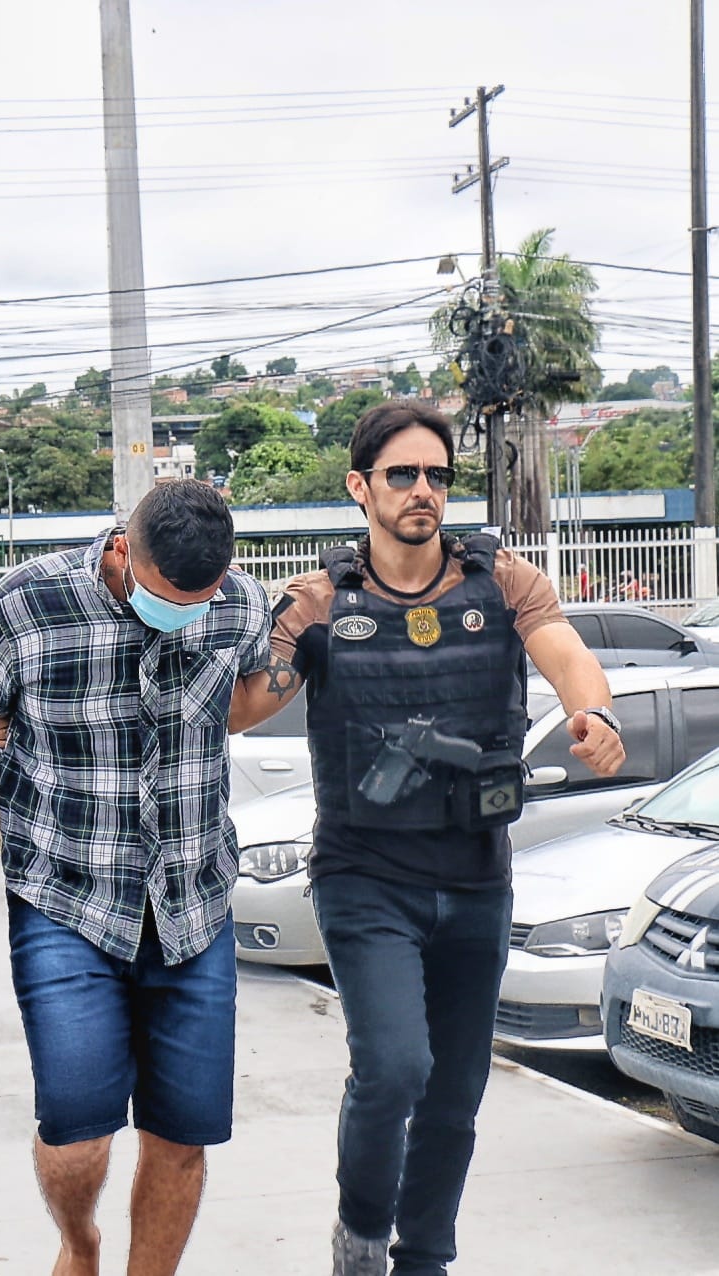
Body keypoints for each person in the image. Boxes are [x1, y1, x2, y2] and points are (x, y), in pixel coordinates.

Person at [228, 402, 625, 1276]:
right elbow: (250, 700)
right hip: (365, 877)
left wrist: (590, 709)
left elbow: (561, 649)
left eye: (438, 476)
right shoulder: (321, 599)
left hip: (478, 876)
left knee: (455, 1092)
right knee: (397, 1068)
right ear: (359, 487)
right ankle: (363, 1233)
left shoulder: (503, 580)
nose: (423, 491)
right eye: (403, 474)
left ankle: (426, 1258)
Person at [0, 479, 270, 1276]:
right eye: (167, 596)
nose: (186, 611)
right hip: (67, 899)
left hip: (193, 902)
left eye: (200, 598)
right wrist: (16, 762)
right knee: (77, 1133)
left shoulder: (241, 605)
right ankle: (78, 1241)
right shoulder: (26, 604)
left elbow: (254, 685)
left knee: (183, 1134)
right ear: (124, 547)